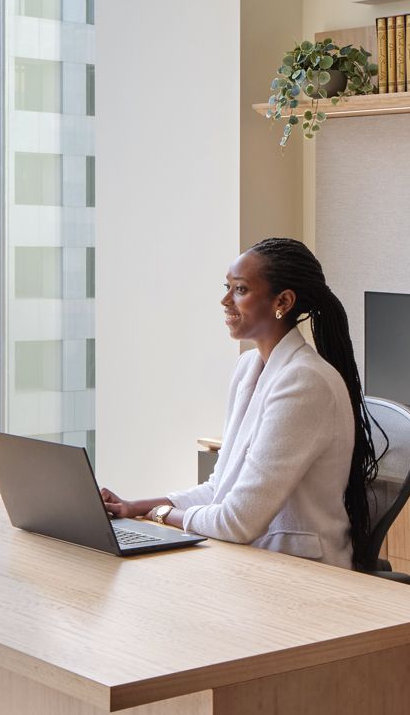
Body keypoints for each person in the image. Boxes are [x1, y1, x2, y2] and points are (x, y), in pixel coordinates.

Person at [99, 237, 379, 569]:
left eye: (240, 290)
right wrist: (135, 507)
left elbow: (237, 522)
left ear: (283, 301)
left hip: (301, 570)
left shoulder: (305, 382)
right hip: (252, 559)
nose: (225, 300)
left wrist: (161, 515)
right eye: (227, 287)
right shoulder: (249, 367)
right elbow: (222, 488)